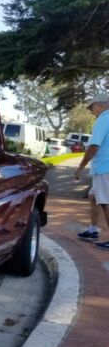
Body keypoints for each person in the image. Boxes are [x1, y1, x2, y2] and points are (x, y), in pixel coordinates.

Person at [75, 93, 109, 250]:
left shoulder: (103, 119)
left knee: (106, 202)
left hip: (104, 167)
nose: (91, 111)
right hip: (104, 167)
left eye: (92, 107)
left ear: (100, 105)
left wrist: (81, 166)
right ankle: (93, 230)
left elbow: (94, 146)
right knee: (94, 196)